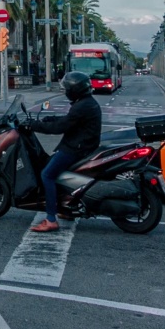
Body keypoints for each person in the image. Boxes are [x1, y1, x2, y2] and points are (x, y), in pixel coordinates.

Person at [28, 71, 103, 233]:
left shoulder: (81, 106)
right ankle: (67, 209)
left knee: (47, 174)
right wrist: (50, 118)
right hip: (83, 145)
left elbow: (60, 128)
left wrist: (34, 126)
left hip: (76, 149)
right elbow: (69, 121)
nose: (66, 91)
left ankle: (50, 219)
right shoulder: (86, 102)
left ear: (74, 90)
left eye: (67, 88)